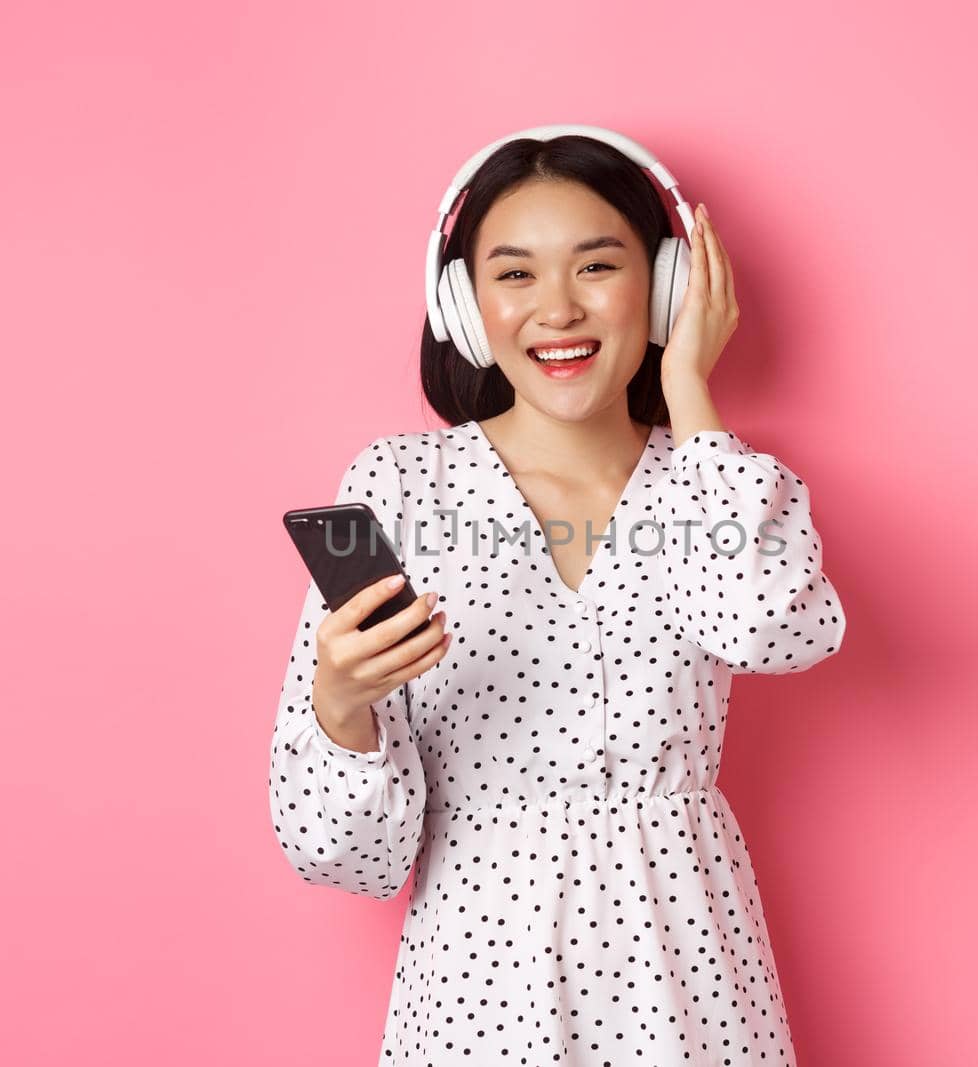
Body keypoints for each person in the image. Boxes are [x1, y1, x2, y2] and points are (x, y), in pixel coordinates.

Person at [269, 126, 847, 1064]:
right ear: (463, 305)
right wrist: (340, 704)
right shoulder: (397, 488)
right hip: (477, 989)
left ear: (664, 287)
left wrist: (690, 390)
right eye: (515, 275)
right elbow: (346, 856)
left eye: (596, 265)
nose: (559, 309)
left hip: (686, 972)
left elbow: (775, 627)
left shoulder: (713, 484)